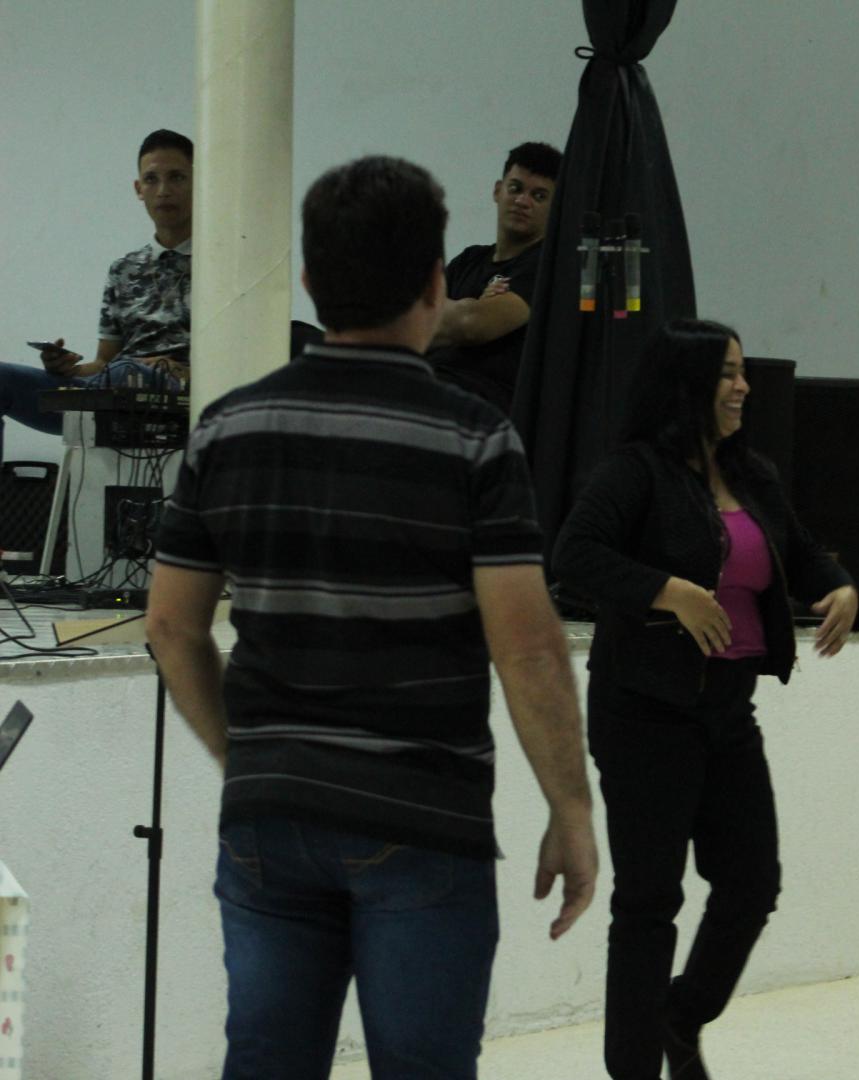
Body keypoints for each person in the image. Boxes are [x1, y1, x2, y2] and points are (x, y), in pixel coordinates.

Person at [145, 155, 597, 1079]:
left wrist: (248, 757)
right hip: (420, 817)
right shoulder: (473, 438)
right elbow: (530, 649)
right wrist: (571, 805)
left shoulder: (226, 428)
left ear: (310, 282)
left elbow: (171, 628)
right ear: (435, 284)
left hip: (270, 817)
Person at [551, 318, 859, 1080]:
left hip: (727, 709)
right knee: (649, 903)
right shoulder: (634, 472)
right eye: (728, 373)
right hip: (644, 711)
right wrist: (667, 591)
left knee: (752, 883)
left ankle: (680, 1015)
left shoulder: (752, 473)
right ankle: (633, 1068)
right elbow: (575, 556)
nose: (743, 387)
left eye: (742, 371)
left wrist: (840, 586)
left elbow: (796, 552)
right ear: (686, 383)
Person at [0, 129, 193, 459]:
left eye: (176, 177)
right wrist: (68, 370)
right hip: (114, 390)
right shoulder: (124, 269)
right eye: (151, 179)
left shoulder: (225, 266)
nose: (163, 190)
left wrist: (175, 369)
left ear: (199, 183)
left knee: (126, 371)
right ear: (139, 189)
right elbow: (104, 362)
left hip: (183, 399)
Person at [427, 141, 561, 412]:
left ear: (557, 207)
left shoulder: (547, 266)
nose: (522, 201)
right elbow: (415, 322)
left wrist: (464, 312)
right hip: (430, 383)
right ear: (498, 191)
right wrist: (468, 308)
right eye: (516, 189)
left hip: (481, 403)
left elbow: (472, 325)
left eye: (538, 196)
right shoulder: (469, 260)